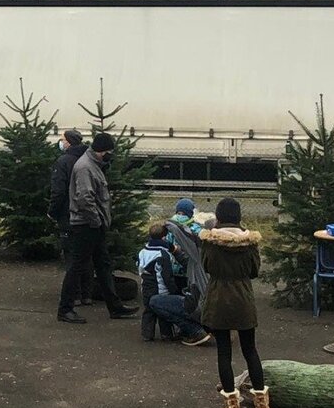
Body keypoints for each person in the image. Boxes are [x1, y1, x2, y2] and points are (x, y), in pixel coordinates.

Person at [57, 132, 139, 324]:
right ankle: (65, 309)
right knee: (77, 267)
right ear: (102, 151)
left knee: (103, 266)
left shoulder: (93, 164)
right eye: (110, 152)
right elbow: (85, 198)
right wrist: (96, 222)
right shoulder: (85, 167)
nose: (112, 155)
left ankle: (115, 306)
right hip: (86, 226)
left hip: (93, 225)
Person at [200, 197, 269, 408]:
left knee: (224, 352)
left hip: (219, 298)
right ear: (239, 216)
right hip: (243, 299)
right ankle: (262, 405)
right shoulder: (250, 242)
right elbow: (254, 270)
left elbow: (206, 266)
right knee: (251, 350)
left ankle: (232, 406)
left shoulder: (210, 242)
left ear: (218, 217)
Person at [139, 223, 212, 346]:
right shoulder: (211, 256)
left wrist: (168, 223)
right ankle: (167, 334)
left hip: (199, 305)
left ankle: (195, 330)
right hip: (212, 307)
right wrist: (174, 250)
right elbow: (173, 271)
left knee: (156, 304)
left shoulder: (143, 252)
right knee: (165, 305)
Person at [48, 129, 93, 306]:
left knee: (71, 256)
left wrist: (52, 211)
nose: (60, 143)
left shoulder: (64, 161)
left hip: (68, 214)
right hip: (87, 214)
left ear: (68, 142)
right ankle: (86, 294)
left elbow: (58, 190)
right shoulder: (88, 160)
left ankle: (73, 295)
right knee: (86, 254)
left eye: (62, 140)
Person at [165, 198, 203, 291]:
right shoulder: (195, 228)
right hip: (188, 269)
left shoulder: (170, 225)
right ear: (191, 213)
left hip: (171, 268)